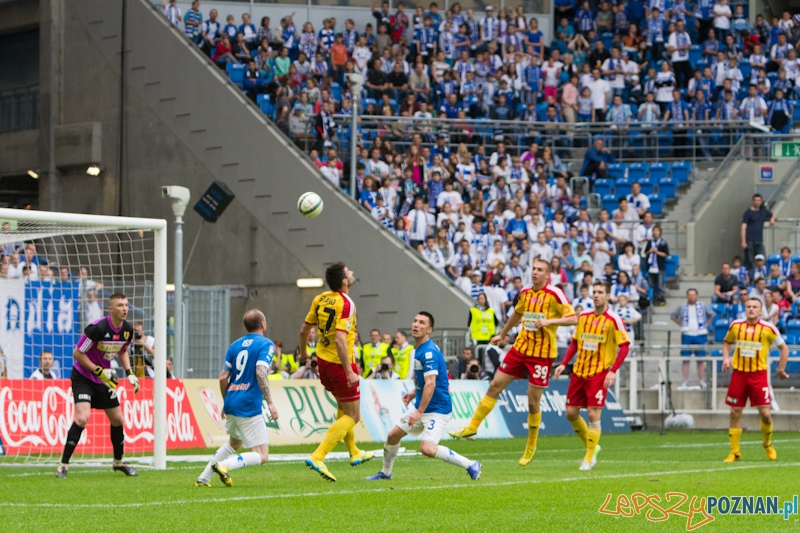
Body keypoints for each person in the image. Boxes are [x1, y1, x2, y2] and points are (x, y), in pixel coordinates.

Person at [450, 258, 577, 466]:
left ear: (547, 275)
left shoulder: (555, 294)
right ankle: (472, 426)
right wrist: (502, 334)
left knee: (532, 402)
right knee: (495, 385)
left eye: (540, 270)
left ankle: (531, 445)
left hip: (541, 355)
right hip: (520, 348)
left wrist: (550, 321)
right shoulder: (526, 291)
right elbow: (518, 313)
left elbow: (573, 319)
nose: (535, 272)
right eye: (533, 268)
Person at [366, 312, 482, 481]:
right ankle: (386, 473)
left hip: (437, 409)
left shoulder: (428, 352)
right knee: (392, 436)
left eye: (421, 323)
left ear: (429, 329)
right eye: (415, 321)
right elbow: (430, 380)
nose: (416, 324)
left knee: (427, 448)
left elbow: (431, 384)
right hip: (423, 404)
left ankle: (471, 465)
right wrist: (414, 392)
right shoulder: (420, 349)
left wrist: (418, 412)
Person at [299, 263, 374, 481]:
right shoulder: (346, 303)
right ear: (344, 281)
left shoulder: (320, 298)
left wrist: (304, 354)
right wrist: (349, 371)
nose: (352, 272)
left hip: (323, 361)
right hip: (340, 364)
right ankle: (318, 456)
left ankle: (354, 452)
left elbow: (304, 329)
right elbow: (341, 339)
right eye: (349, 271)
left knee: (343, 407)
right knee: (353, 415)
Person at [56, 294, 139, 478]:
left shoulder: (127, 330)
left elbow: (123, 351)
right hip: (84, 377)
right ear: (110, 308)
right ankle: (63, 465)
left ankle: (118, 463)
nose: (124, 308)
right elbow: (77, 353)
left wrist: (130, 373)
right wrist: (98, 370)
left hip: (104, 379)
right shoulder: (97, 328)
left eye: (126, 305)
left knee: (117, 419)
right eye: (120, 305)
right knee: (82, 418)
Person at [195, 310, 279, 487]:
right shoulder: (267, 344)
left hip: (232, 400)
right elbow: (260, 371)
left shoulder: (235, 346)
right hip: (248, 404)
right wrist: (270, 402)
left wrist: (226, 400)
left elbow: (222, 377)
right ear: (263, 324)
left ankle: (203, 478)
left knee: (234, 442)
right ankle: (225, 465)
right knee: (262, 455)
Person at [553, 281, 630, 470]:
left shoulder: (614, 319)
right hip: (579, 371)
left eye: (600, 292)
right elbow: (575, 343)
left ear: (607, 296)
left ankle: (588, 457)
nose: (596, 295)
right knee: (571, 413)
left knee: (593, 414)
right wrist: (564, 364)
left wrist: (612, 370)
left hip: (599, 373)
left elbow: (625, 346)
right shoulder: (584, 317)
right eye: (594, 292)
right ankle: (593, 445)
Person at [721, 298, 789, 463]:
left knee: (765, 414)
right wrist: (726, 358)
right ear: (745, 309)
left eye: (755, 307)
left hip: (758, 375)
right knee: (734, 412)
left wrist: (781, 369)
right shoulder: (736, 326)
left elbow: (784, 348)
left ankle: (767, 444)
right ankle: (735, 452)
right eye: (748, 306)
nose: (751, 309)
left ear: (760, 311)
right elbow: (727, 342)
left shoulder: (768, 328)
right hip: (739, 374)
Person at [671, 289, 715, 390]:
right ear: (687, 296)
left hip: (700, 334)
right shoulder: (682, 307)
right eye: (690, 295)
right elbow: (673, 316)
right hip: (687, 334)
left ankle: (701, 380)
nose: (692, 297)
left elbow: (712, 314)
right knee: (685, 359)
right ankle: (685, 381)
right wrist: (681, 324)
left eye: (693, 295)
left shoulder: (702, 306)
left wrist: (706, 324)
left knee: (700, 359)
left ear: (697, 296)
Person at [741, 194, 776, 271]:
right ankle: (751, 278)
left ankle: (762, 276)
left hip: (759, 239)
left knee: (762, 258)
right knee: (750, 261)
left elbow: (774, 214)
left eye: (759, 200)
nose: (757, 202)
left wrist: (772, 219)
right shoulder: (748, 212)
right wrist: (743, 241)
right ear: (753, 201)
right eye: (756, 200)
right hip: (749, 239)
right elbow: (743, 226)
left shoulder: (763, 211)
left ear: (761, 201)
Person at [645, 225, 669, 306]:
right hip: (651, 266)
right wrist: (650, 251)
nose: (655, 232)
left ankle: (661, 299)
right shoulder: (650, 242)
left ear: (660, 232)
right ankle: (651, 299)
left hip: (660, 266)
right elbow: (645, 253)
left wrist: (657, 252)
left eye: (657, 231)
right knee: (650, 284)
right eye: (654, 231)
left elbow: (666, 254)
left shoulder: (663, 242)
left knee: (660, 284)